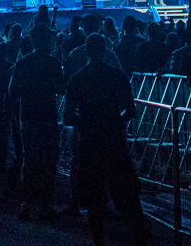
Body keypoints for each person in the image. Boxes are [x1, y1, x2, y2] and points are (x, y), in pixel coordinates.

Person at [66, 34, 150, 246]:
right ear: (105, 50)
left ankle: (99, 241)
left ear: (86, 51)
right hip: (114, 141)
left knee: (94, 199)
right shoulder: (117, 75)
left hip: (90, 142)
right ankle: (141, 239)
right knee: (128, 195)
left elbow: (67, 116)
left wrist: (86, 123)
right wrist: (115, 122)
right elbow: (130, 110)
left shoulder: (78, 78)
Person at [9, 24, 65, 220]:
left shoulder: (22, 63)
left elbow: (12, 91)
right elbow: (62, 88)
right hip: (47, 117)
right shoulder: (53, 62)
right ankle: (45, 205)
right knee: (48, 162)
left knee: (30, 161)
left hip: (29, 117)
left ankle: (26, 204)